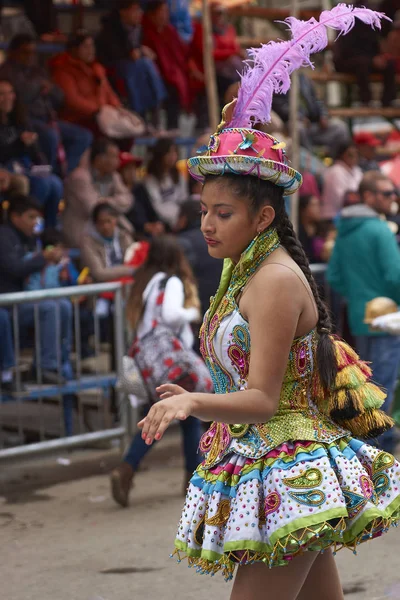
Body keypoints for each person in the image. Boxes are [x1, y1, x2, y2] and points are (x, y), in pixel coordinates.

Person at [135, 9, 400, 590]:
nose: (206, 224)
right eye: (204, 210)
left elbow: (262, 400)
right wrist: (202, 396)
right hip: (267, 464)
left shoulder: (275, 279)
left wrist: (194, 405)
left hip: (289, 471)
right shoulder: (241, 270)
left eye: (222, 213)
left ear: (262, 216)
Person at [110, 235, 213, 507]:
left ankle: (131, 469)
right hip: (171, 361)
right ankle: (189, 477)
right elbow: (171, 315)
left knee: (172, 416)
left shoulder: (149, 281)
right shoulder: (173, 281)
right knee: (182, 414)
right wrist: (192, 313)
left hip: (151, 361)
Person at [327, 171, 400, 453]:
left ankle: (367, 449)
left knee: (369, 387)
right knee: (383, 388)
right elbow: (395, 276)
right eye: (386, 193)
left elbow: (334, 276)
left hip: (360, 318)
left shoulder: (345, 230)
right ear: (368, 196)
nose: (392, 198)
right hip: (387, 318)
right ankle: (378, 454)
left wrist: (359, 296)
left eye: (393, 192)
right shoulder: (379, 230)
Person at [0, 196, 73, 384]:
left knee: (63, 305)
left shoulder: (31, 239)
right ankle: (45, 367)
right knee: (49, 307)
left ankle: (61, 364)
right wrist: (42, 257)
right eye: (31, 217)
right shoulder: (4, 236)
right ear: (15, 216)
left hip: (26, 301)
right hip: (8, 305)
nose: (35, 222)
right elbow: (14, 268)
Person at [0, 34, 92, 173]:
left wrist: (50, 88)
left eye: (33, 52)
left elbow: (60, 97)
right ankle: (47, 174)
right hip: (26, 119)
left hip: (47, 117)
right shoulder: (7, 71)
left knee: (83, 136)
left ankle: (62, 176)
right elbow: (20, 98)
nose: (30, 56)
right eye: (26, 52)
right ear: (13, 52)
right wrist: (38, 85)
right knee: (50, 136)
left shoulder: (37, 70)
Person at [0, 78, 63, 228]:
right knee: (42, 184)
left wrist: (33, 147)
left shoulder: (19, 117)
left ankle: (49, 232)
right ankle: (23, 229)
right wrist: (19, 144)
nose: (8, 98)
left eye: (10, 93)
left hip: (24, 166)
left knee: (55, 183)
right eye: (2, 94)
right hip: (6, 169)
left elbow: (35, 153)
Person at [96, 0, 167, 125]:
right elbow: (112, 54)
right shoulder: (110, 29)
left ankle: (155, 106)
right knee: (140, 66)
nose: (139, 13)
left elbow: (136, 51)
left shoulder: (137, 29)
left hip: (135, 67)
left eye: (139, 10)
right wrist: (130, 53)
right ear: (123, 12)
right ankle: (144, 111)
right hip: (115, 67)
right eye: (135, 10)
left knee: (145, 64)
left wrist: (141, 51)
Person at [63, 138, 134, 248]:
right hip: (82, 231)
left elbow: (128, 200)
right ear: (99, 159)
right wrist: (113, 203)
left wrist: (105, 201)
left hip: (105, 229)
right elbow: (94, 208)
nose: (118, 161)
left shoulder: (113, 176)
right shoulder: (80, 177)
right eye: (114, 156)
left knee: (128, 238)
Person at [49, 31, 122, 133]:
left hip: (102, 116)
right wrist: (98, 110)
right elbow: (72, 101)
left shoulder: (97, 68)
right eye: (85, 47)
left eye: (92, 46)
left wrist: (117, 108)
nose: (90, 51)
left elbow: (109, 92)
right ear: (74, 49)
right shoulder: (63, 71)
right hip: (78, 119)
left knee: (125, 131)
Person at [142, 0, 194, 129]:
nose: (165, 15)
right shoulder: (144, 32)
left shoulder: (170, 31)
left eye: (166, 11)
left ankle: (174, 127)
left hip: (172, 72)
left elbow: (181, 53)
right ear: (152, 14)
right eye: (162, 12)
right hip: (153, 75)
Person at [272, 74, 350, 156]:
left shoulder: (303, 79)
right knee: (298, 128)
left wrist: (323, 115)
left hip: (314, 125)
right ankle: (312, 162)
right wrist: (300, 117)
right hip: (293, 124)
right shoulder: (277, 82)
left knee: (340, 128)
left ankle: (332, 161)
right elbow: (279, 106)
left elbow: (317, 100)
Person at [333, 7, 397, 107]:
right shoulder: (346, 24)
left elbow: (375, 47)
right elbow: (346, 52)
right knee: (362, 64)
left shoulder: (371, 27)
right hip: (347, 62)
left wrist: (379, 58)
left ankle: (388, 101)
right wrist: (372, 60)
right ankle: (366, 101)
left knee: (389, 64)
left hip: (368, 61)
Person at [176, 199, 222, 318]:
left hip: (198, 309)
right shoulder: (220, 236)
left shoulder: (183, 242)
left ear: (183, 218)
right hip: (221, 304)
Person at [81, 203, 135, 283]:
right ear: (95, 224)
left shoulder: (124, 236)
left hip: (126, 285)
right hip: (100, 289)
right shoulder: (88, 243)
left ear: (116, 220)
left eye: (108, 221)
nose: (106, 226)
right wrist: (129, 270)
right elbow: (99, 273)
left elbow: (134, 261)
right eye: (101, 223)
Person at [141, 138, 187, 230]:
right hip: (165, 222)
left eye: (174, 152)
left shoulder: (177, 175)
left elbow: (184, 198)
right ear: (160, 155)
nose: (172, 156)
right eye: (169, 153)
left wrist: (184, 215)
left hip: (183, 216)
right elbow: (157, 206)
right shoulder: (150, 179)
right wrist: (176, 219)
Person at [119, 151, 166, 238]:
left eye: (133, 168)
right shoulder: (118, 192)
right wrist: (145, 227)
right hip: (133, 234)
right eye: (128, 169)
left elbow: (150, 209)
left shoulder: (139, 188)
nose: (132, 172)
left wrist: (157, 223)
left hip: (151, 230)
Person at [321, 142, 363, 221]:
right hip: (333, 217)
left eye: (356, 154)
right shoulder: (335, 171)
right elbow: (343, 199)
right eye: (350, 154)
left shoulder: (357, 170)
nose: (354, 157)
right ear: (341, 155)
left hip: (351, 214)